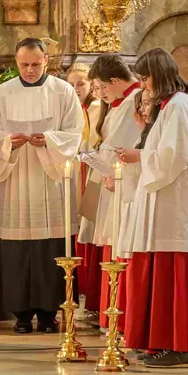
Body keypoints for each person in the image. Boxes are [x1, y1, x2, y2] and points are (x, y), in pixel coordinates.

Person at [115, 48, 188, 368]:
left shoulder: (180, 105)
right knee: (157, 268)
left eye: (145, 78)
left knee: (172, 271)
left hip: (175, 203)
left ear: (159, 74)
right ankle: (159, 341)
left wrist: (140, 157)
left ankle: (181, 345)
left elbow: (177, 155)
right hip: (160, 197)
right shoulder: (167, 106)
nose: (143, 86)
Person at [0, 38, 84, 334]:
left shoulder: (63, 91)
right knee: (17, 248)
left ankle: (50, 314)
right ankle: (21, 315)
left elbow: (74, 133)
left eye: (35, 64)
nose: (29, 70)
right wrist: (7, 143)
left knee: (50, 246)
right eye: (24, 65)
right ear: (16, 63)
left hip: (50, 179)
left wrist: (49, 140)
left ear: (46, 60)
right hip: (16, 179)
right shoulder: (3, 93)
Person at [84, 55, 143, 325]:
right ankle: (111, 313)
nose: (101, 93)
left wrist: (100, 163)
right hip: (114, 179)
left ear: (115, 80)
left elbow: (119, 145)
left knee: (117, 242)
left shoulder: (135, 100)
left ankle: (118, 316)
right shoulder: (122, 102)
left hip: (124, 182)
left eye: (102, 87)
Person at [69, 62, 104, 311]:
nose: (75, 88)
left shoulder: (96, 107)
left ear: (92, 84)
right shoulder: (77, 108)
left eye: (80, 83)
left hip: (93, 171)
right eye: (71, 84)